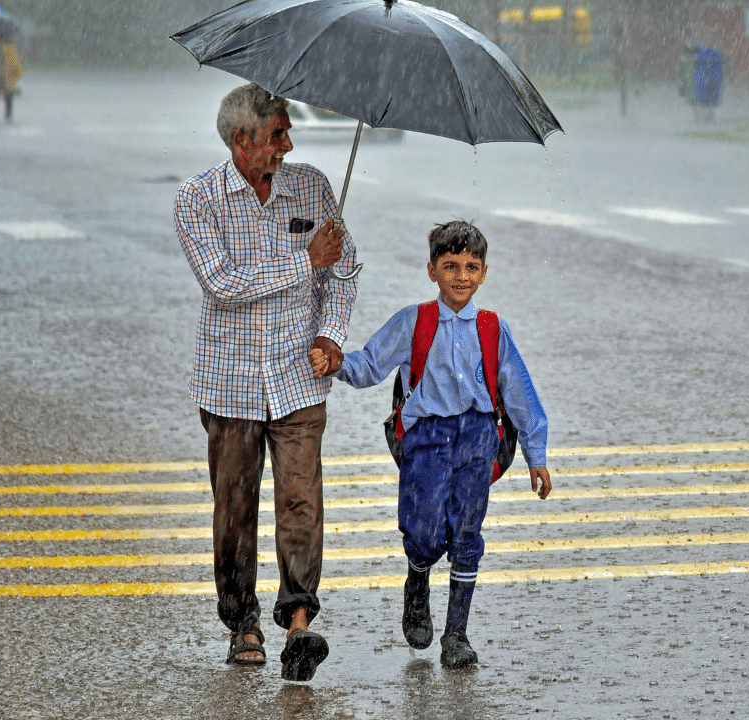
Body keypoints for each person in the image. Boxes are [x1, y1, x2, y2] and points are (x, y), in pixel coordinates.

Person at [174, 83, 358, 681]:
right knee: (234, 509)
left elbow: (345, 272)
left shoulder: (312, 185)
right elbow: (222, 284)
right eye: (278, 134)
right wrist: (305, 259)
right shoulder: (197, 199)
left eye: (286, 132)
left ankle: (299, 620)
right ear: (241, 140)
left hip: (300, 380)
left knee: (302, 502)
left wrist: (331, 335)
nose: (289, 144)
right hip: (229, 385)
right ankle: (242, 620)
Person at [310, 220, 551, 668]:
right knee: (421, 530)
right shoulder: (414, 321)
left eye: (471, 266)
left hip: (479, 438)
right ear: (431, 270)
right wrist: (338, 362)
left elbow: (519, 392)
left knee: (466, 532)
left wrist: (537, 456)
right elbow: (370, 363)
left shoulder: (493, 329)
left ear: (483, 273)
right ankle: (417, 579)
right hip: (426, 440)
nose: (461, 275)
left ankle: (456, 635)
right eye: (451, 265)